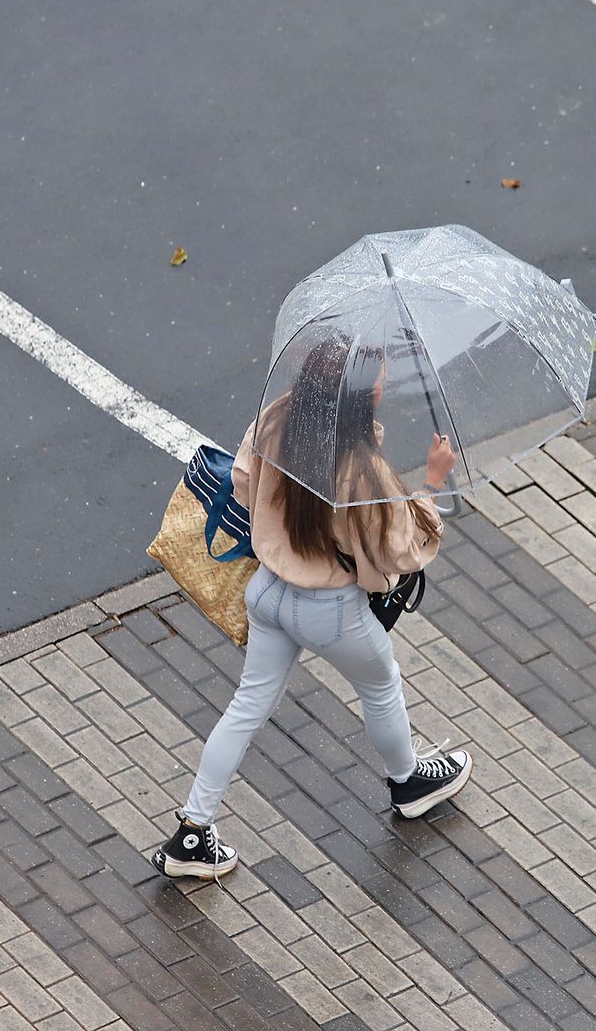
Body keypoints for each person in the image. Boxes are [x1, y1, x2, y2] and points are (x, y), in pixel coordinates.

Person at [154, 339, 472, 880]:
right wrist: (432, 484)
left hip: (267, 592)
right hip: (331, 612)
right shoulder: (362, 471)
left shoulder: (276, 419)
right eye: (377, 382)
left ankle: (192, 832)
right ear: (355, 398)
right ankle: (409, 783)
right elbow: (400, 550)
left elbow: (243, 484)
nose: (382, 388)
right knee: (381, 686)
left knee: (246, 707)